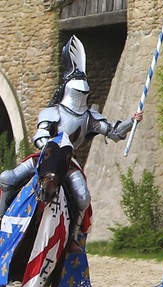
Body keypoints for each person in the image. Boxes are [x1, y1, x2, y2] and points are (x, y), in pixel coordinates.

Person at [0, 36, 142, 249]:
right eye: (78, 91)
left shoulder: (89, 117)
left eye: (84, 92)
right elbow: (40, 136)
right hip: (46, 158)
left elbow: (112, 131)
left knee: (83, 197)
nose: (81, 95)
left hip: (69, 163)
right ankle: (2, 218)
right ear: (68, 89)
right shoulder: (52, 112)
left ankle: (74, 236)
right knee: (8, 178)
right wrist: (49, 148)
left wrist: (132, 121)